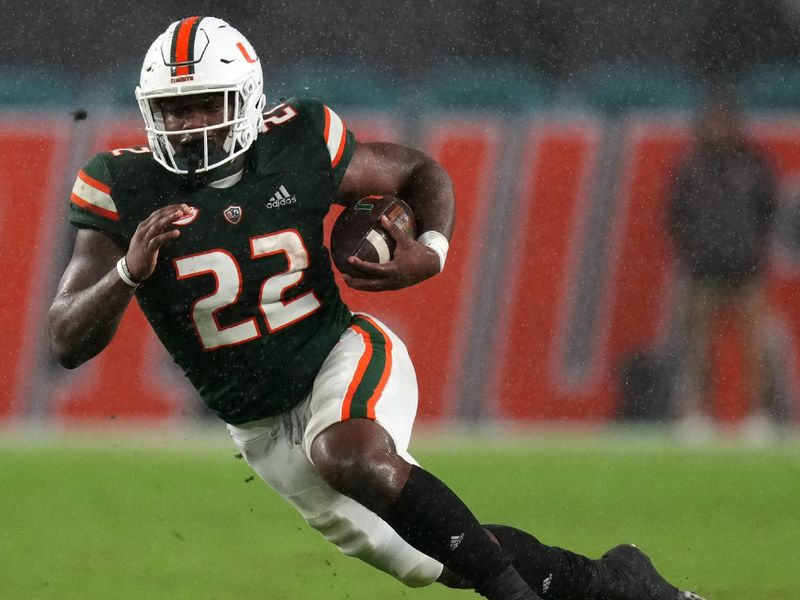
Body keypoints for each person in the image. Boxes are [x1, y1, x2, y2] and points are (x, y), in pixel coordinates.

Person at [48, 16, 705, 600]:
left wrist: (431, 249)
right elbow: (66, 338)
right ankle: (617, 582)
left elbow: (419, 172)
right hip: (259, 431)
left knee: (351, 452)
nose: (188, 125)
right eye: (173, 109)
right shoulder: (121, 184)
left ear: (245, 102)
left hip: (342, 354)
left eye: (203, 105)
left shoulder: (298, 140)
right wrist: (128, 272)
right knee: (436, 556)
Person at [668, 94, 777, 440]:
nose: (720, 129)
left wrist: (748, 248)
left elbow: (766, 213)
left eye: (725, 122)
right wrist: (696, 252)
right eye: (714, 122)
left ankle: (757, 415)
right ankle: (701, 414)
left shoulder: (754, 166)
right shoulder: (691, 168)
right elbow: (676, 217)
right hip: (704, 271)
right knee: (699, 347)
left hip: (746, 270)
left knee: (755, 346)